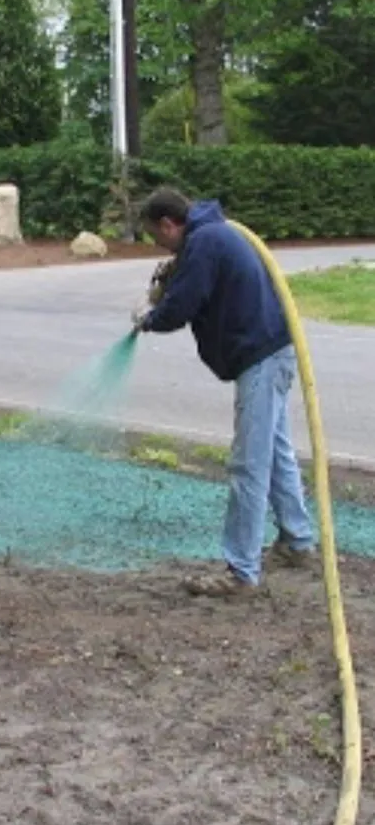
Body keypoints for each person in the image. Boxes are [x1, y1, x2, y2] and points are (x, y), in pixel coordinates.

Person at [133, 187, 315, 596]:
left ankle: (240, 572)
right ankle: (297, 541)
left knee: (248, 464)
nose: (158, 246)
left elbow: (180, 307)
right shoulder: (214, 233)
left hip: (262, 358)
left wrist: (148, 318)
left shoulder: (205, 241)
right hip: (270, 353)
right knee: (275, 452)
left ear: (168, 224)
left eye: (156, 237)